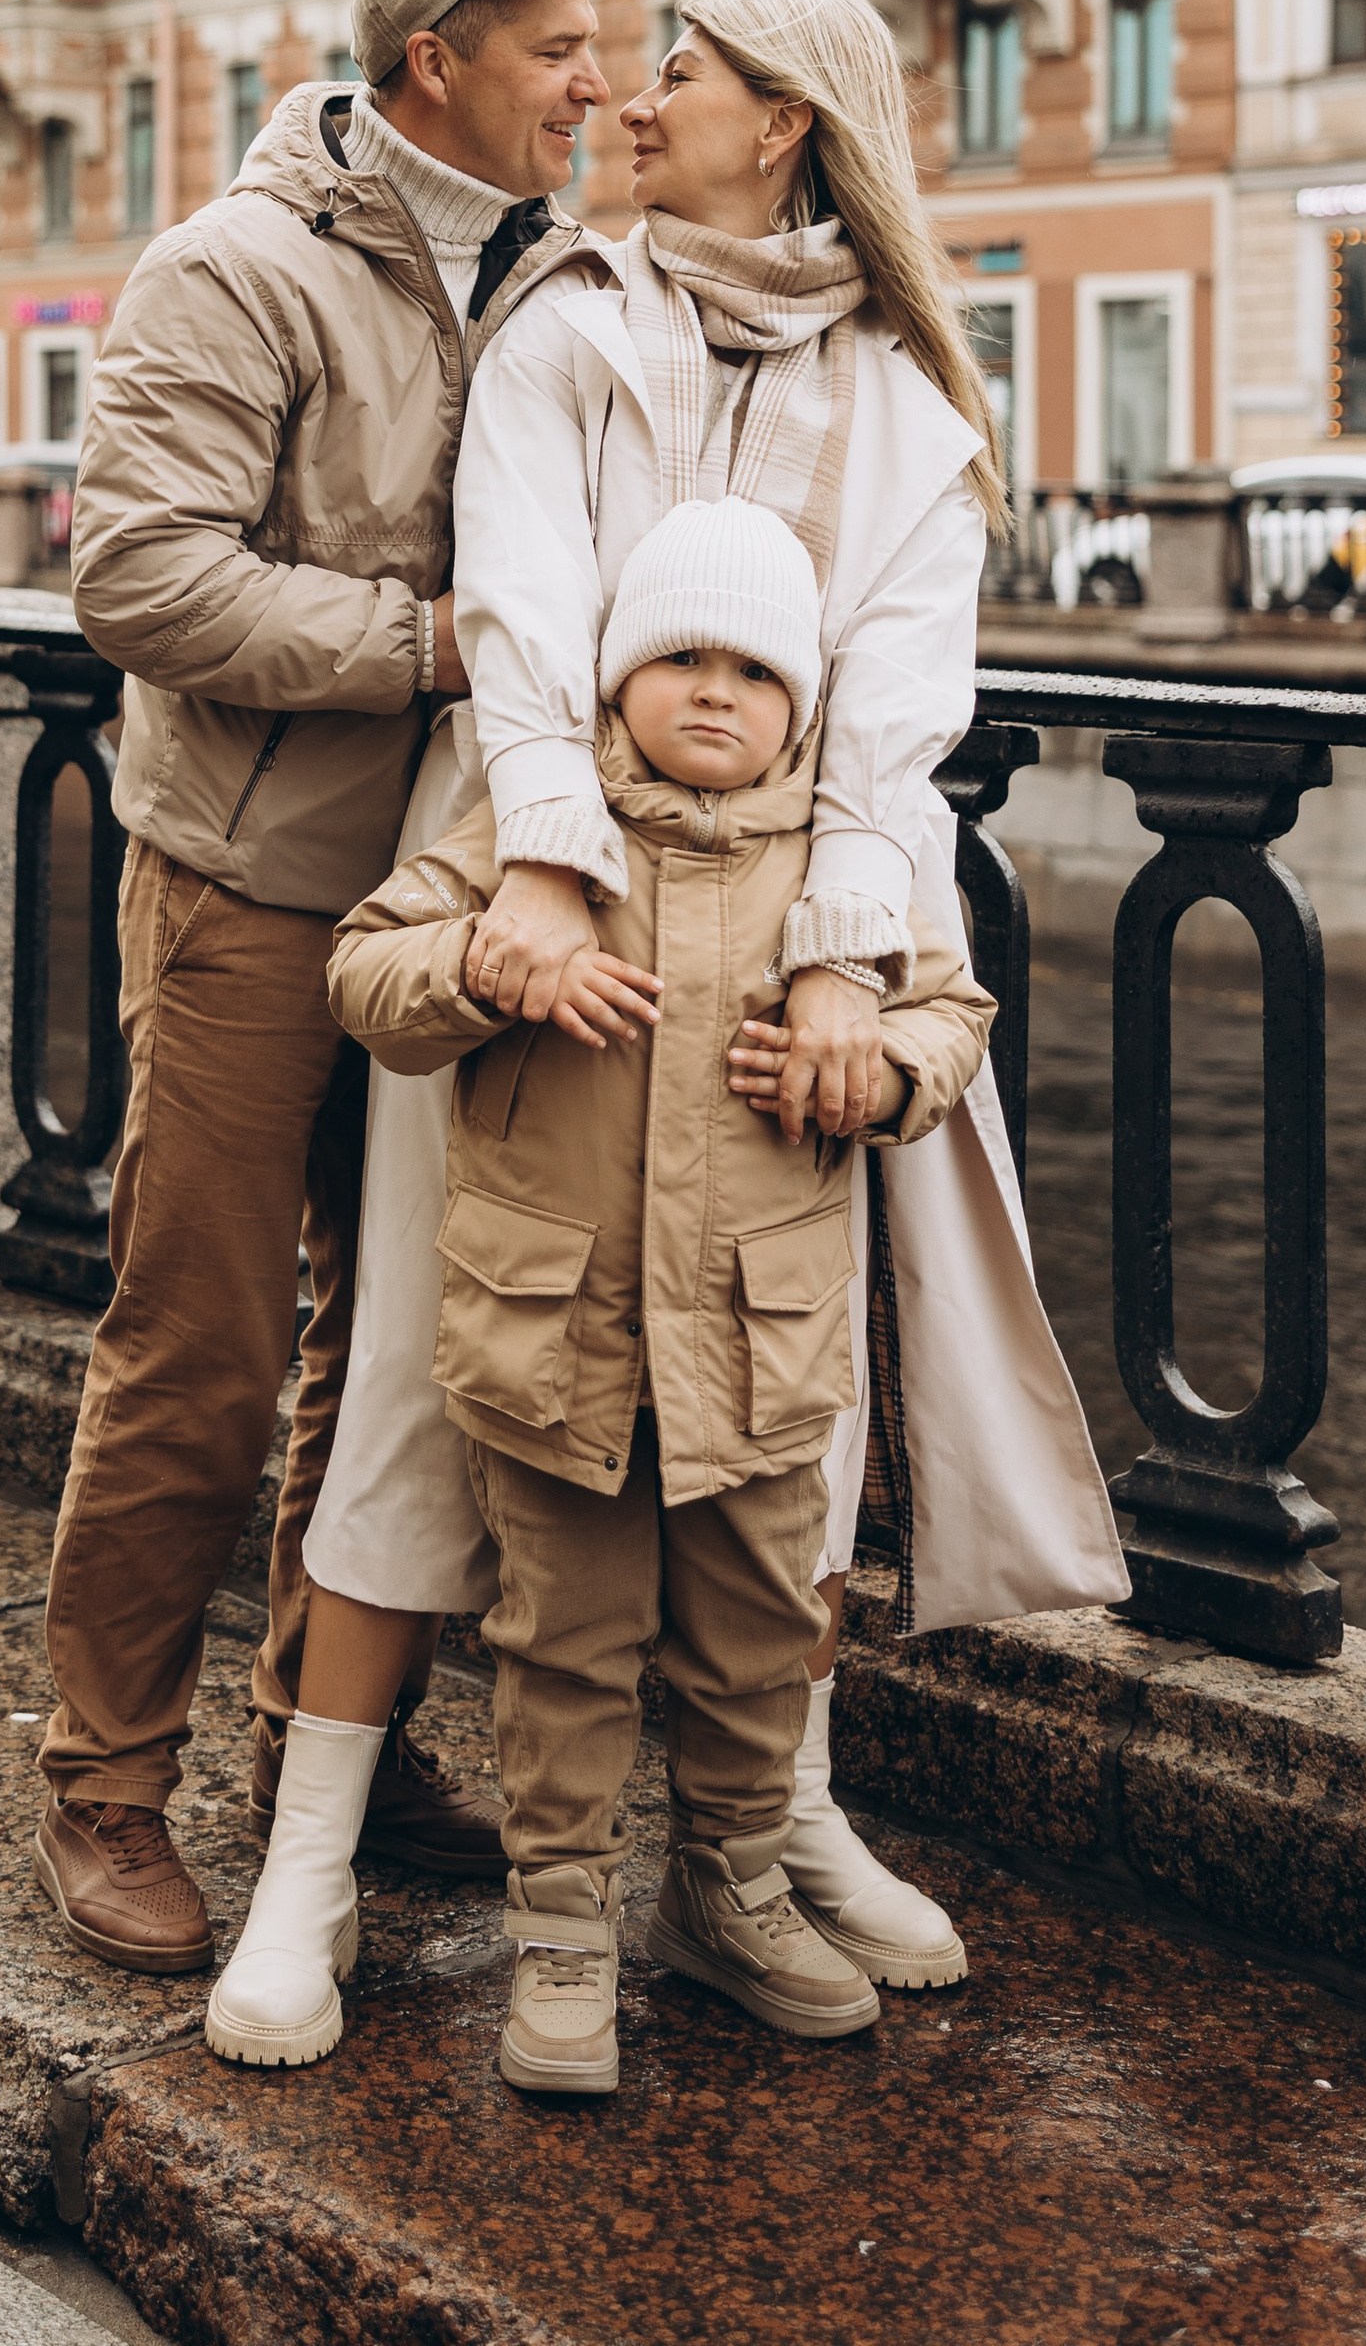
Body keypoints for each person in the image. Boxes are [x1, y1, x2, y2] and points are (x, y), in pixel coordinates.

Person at [236, 0, 1124, 2030]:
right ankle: (308, 1858)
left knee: (775, 1409)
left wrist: (834, 967)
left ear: (786, 119)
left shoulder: (910, 403)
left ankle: (767, 1821)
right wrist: (536, 882)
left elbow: (894, 719)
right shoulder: (572, 322)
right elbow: (521, 608)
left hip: (804, 937)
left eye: (686, 73)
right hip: (527, 911)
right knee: (409, 1384)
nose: (635, 94)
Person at [36, 0, 647, 1973]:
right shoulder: (231, 267)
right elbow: (137, 579)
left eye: (606, 39)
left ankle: (336, 1737)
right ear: (432, 69)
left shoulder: (574, 270)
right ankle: (104, 1783)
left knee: (387, 1359)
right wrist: (436, 650)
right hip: (250, 884)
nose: (600, 77)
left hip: (466, 907)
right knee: (196, 1350)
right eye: (561, 44)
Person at [209, 499, 997, 2086]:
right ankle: (560, 1931)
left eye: (757, 673)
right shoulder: (534, 833)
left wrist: (887, 1069)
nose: (717, 695)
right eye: (679, 659)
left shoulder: (841, 869)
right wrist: (484, 967)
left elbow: (951, 1014)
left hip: (758, 1355)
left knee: (760, 1638)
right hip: (553, 1344)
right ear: (613, 675)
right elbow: (368, 970)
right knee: (559, 1647)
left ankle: (730, 1886)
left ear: (809, 704)